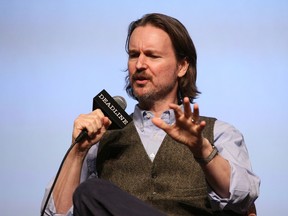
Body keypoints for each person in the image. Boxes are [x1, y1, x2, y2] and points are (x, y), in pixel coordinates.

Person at [41, 13, 260, 216]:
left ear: (182, 66)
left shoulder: (219, 133)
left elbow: (243, 197)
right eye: (134, 55)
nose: (140, 65)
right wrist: (78, 152)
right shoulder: (102, 138)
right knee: (90, 193)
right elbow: (55, 214)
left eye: (152, 56)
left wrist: (201, 149)